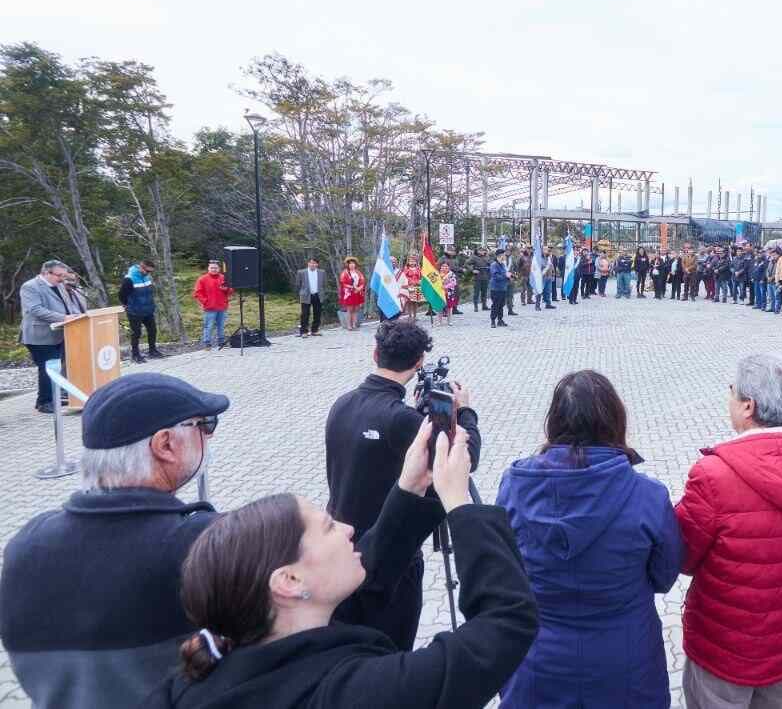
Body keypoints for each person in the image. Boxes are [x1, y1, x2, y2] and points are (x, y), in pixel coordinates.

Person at [141, 419, 538, 709]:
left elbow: (364, 584)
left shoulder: (202, 680)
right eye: (329, 527)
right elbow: (506, 624)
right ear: (289, 581)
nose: (348, 528)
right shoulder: (353, 693)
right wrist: (460, 504)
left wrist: (409, 488)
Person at [0, 374, 224, 708]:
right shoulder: (203, 544)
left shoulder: (25, 545)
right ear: (165, 445)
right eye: (205, 425)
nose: (209, 434)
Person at [496, 371, 681, 708]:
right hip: (626, 659)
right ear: (615, 420)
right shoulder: (648, 496)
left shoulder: (513, 486)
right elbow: (665, 575)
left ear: (553, 422)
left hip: (538, 659)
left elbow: (503, 569)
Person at [676, 354, 782, 709]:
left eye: (732, 391)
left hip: (724, 651)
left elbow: (684, 556)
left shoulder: (713, 474)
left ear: (748, 406)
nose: (730, 398)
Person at [324, 319, 480, 650]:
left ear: (375, 353)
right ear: (419, 362)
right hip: (391, 559)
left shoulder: (341, 403)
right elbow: (463, 461)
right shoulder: (402, 420)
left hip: (340, 551)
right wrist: (465, 412)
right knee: (391, 651)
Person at [19, 260, 71, 414]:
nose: (62, 278)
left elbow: (66, 306)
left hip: (59, 333)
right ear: (46, 273)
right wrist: (64, 318)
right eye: (59, 275)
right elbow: (36, 310)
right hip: (39, 335)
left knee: (54, 367)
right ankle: (44, 402)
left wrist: (76, 316)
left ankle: (52, 398)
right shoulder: (30, 287)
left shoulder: (59, 286)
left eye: (63, 275)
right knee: (48, 368)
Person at [120, 258, 165, 363]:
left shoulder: (147, 277)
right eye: (148, 271)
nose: (149, 273)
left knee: (153, 330)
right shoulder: (129, 279)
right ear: (141, 267)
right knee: (136, 333)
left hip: (148, 309)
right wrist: (127, 305)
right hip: (135, 311)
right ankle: (135, 355)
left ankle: (152, 351)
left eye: (151, 272)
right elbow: (122, 295)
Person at [192, 260, 232, 351]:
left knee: (221, 325)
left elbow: (231, 290)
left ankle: (221, 342)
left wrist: (226, 289)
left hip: (222, 306)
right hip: (210, 308)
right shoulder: (202, 279)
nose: (214, 269)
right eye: (212, 268)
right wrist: (205, 301)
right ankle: (207, 343)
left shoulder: (224, 277)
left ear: (219, 269)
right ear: (208, 268)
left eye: (216, 268)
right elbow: (197, 293)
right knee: (208, 326)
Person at [296, 258, 326, 337]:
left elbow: (324, 284)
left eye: (314, 263)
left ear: (317, 264)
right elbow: (298, 284)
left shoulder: (322, 272)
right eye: (311, 263)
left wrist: (322, 292)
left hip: (317, 295)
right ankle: (304, 331)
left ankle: (315, 330)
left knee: (317, 313)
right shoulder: (301, 272)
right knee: (305, 314)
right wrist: (301, 293)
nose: (312, 264)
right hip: (306, 295)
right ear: (308, 264)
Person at [338, 257, 366, 331]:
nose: (352, 265)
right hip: (349, 293)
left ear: (355, 264)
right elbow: (343, 283)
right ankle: (349, 325)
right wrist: (352, 287)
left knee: (356, 309)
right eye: (350, 263)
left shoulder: (358, 272)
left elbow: (363, 281)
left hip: (357, 293)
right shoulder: (345, 273)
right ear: (347, 265)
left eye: (353, 263)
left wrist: (359, 288)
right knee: (349, 309)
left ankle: (354, 325)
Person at [396, 256, 425, 322]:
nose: (412, 262)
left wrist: (420, 281)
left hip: (417, 286)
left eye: (413, 261)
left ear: (416, 262)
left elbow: (421, 277)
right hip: (409, 286)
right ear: (408, 262)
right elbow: (404, 277)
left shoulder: (418, 269)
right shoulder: (406, 269)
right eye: (411, 261)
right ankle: (410, 316)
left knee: (415, 301)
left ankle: (415, 316)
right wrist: (411, 281)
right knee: (409, 301)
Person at [489, 249, 510, 328]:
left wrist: (510, 276)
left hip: (503, 288)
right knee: (495, 305)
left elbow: (505, 274)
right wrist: (505, 276)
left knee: (501, 305)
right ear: (500, 256)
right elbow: (495, 276)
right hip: (496, 289)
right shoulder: (494, 265)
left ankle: (500, 320)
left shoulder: (503, 265)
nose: (505, 256)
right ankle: (493, 321)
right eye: (504, 255)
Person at [469, 247, 489, 312]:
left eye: (483, 250)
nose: (482, 252)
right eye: (480, 250)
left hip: (485, 276)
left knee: (484, 292)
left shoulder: (486, 257)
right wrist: (472, 270)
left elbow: (490, 264)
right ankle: (476, 306)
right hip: (477, 277)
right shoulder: (474, 257)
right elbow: (466, 264)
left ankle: (484, 305)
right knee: (476, 292)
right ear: (477, 251)